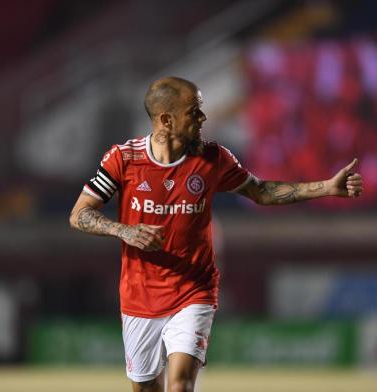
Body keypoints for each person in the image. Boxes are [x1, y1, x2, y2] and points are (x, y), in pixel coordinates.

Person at [69, 77, 363, 392]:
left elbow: (261, 192)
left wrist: (326, 187)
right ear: (167, 120)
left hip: (194, 290)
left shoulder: (213, 158)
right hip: (139, 295)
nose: (203, 118)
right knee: (145, 387)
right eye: (194, 111)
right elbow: (79, 214)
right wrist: (123, 230)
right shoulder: (124, 159)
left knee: (180, 384)